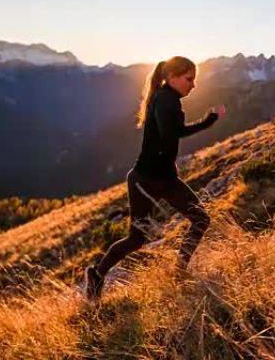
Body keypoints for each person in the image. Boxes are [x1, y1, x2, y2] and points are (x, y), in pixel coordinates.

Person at [85, 56, 225, 301]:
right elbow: (171, 135)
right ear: (172, 77)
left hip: (163, 179)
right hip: (146, 181)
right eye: (189, 79)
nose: (193, 85)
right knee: (138, 238)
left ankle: (178, 273)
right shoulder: (165, 100)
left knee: (200, 219)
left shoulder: (167, 99)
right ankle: (97, 274)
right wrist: (205, 123)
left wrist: (207, 122)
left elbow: (174, 133)